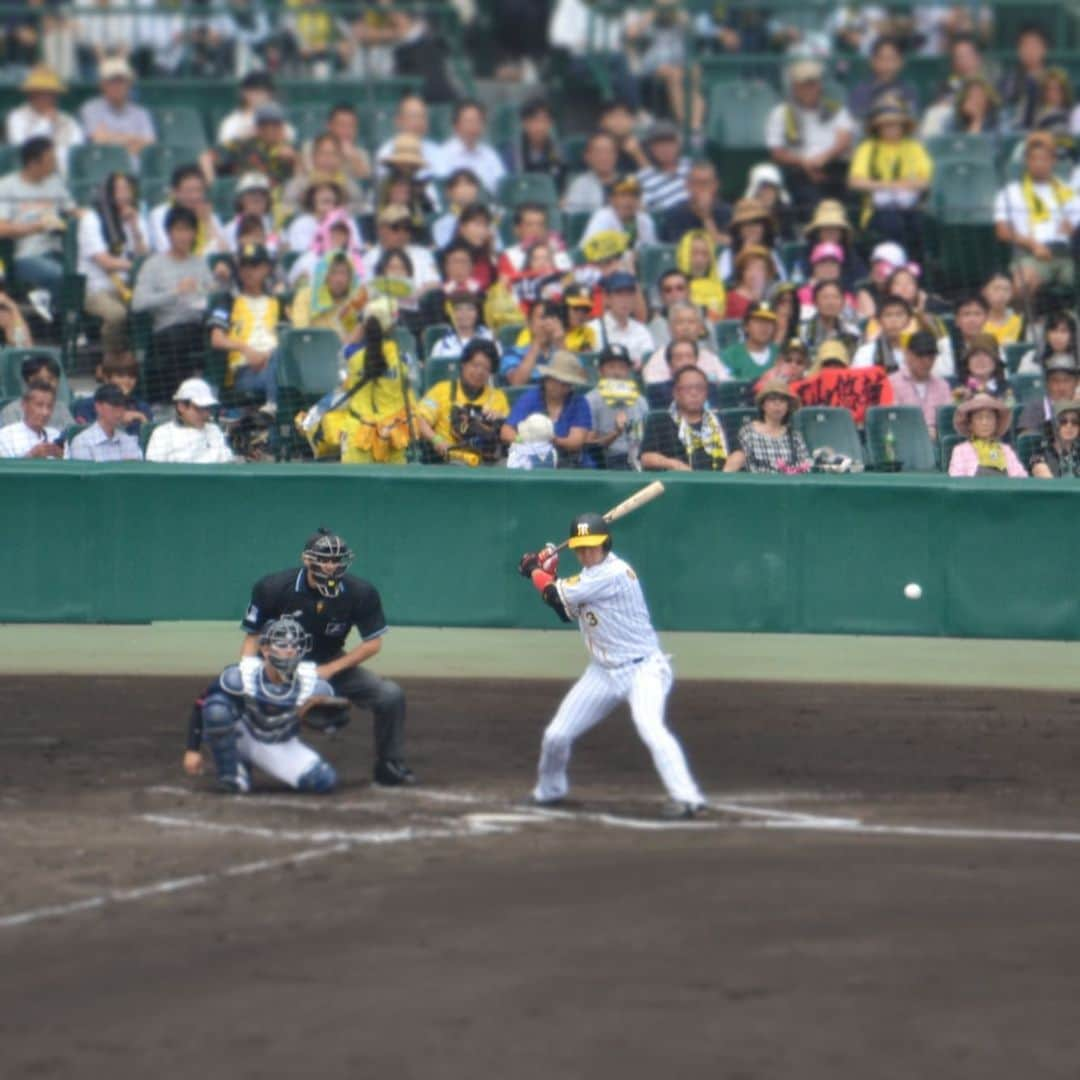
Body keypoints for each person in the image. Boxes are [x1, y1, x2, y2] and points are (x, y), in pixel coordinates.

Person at [517, 513, 706, 819]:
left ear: (605, 545)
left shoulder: (613, 573)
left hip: (643, 669)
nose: (585, 553)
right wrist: (544, 573)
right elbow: (563, 610)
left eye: (592, 547)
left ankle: (687, 797)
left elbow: (553, 592)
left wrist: (535, 571)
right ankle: (549, 790)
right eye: (580, 548)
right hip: (603, 672)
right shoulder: (587, 579)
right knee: (556, 735)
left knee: (651, 727)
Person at [239, 529, 413, 787]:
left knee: (390, 695)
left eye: (336, 560)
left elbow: (373, 644)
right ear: (307, 559)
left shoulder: (360, 593)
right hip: (281, 664)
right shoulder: (274, 587)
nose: (330, 566)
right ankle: (238, 766)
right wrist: (247, 672)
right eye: (324, 559)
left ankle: (389, 764)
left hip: (329, 661)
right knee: (238, 697)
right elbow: (253, 636)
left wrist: (331, 669)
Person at [183, 616, 341, 795]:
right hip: (243, 734)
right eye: (282, 645)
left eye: (295, 645)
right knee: (217, 710)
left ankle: (253, 761)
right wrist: (192, 749)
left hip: (279, 741)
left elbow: (331, 722)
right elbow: (202, 703)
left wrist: (328, 722)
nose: (290, 651)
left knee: (323, 780)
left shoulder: (313, 684)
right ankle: (233, 772)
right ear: (265, 649)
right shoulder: (242, 675)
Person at [131, 206, 215, 401]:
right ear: (169, 233)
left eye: (188, 230)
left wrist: (210, 290)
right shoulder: (153, 265)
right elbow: (138, 303)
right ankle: (183, 397)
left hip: (197, 324)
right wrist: (174, 292)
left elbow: (210, 295)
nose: (184, 236)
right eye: (178, 230)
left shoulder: (199, 263)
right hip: (167, 327)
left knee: (217, 333)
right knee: (177, 339)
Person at [995, 132, 1080, 303]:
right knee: (1023, 283)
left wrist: (1071, 230)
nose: (1039, 164)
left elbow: (1074, 227)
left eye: (1045, 159)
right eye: (1034, 159)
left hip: (1066, 255)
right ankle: (1021, 326)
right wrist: (1033, 244)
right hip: (1031, 255)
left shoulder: (1068, 193)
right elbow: (1002, 231)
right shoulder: (1011, 192)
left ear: (1053, 161)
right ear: (1027, 161)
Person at [766, 58, 854, 215]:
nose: (809, 89)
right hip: (798, 169)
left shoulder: (836, 110)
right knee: (811, 201)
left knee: (848, 196)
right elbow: (777, 152)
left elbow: (844, 140)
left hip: (833, 166)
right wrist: (804, 162)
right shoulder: (780, 113)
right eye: (803, 85)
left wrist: (823, 158)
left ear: (819, 85)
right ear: (794, 87)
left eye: (812, 84)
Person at [848, 95, 933, 258]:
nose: (891, 129)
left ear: (903, 126)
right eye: (886, 125)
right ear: (877, 127)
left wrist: (893, 186)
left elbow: (925, 182)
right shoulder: (868, 148)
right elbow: (855, 182)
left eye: (895, 125)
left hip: (910, 209)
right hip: (876, 212)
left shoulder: (914, 147)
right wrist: (892, 186)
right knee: (892, 223)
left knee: (920, 224)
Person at [0, 137, 73, 313]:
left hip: (58, 250)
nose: (54, 165)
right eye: (50, 161)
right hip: (26, 256)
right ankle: (58, 326)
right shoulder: (7, 186)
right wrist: (38, 226)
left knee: (80, 274)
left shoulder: (55, 183)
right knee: (60, 274)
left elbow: (73, 211)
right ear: (33, 163)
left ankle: (68, 322)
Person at [78, 171, 148, 355]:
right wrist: (135, 265)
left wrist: (134, 227)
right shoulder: (91, 219)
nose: (124, 194)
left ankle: (141, 360)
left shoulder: (133, 217)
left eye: (127, 189)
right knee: (117, 315)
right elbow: (105, 261)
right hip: (96, 289)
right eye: (118, 190)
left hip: (127, 287)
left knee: (152, 309)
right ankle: (112, 361)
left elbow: (142, 254)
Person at [208, 243, 280, 404]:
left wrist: (268, 356)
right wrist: (244, 348)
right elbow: (216, 339)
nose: (248, 271)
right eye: (243, 266)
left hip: (276, 363)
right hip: (245, 371)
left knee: (280, 357)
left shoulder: (276, 302)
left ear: (266, 268)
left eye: (254, 265)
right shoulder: (228, 300)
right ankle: (273, 405)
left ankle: (272, 405)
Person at [418, 339, 507, 466]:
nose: (480, 372)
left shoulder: (498, 397)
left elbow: (509, 433)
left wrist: (502, 420)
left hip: (488, 461)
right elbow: (420, 420)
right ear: (463, 364)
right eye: (475, 365)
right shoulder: (441, 390)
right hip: (450, 461)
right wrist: (437, 440)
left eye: (486, 368)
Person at [500, 350, 592, 467]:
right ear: (546, 379)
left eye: (565, 383)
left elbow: (576, 442)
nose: (559, 386)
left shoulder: (580, 403)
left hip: (570, 464)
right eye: (555, 380)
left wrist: (552, 440)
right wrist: (524, 441)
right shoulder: (530, 397)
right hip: (531, 461)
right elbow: (506, 432)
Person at [640, 364, 732, 472]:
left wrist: (725, 474)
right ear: (675, 393)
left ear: (706, 392)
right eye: (688, 388)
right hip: (678, 483)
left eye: (699, 388)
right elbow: (646, 457)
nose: (694, 393)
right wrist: (673, 464)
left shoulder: (720, 419)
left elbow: (738, 452)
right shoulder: (660, 421)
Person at [791, 339, 893, 427]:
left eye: (837, 365)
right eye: (827, 365)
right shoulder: (803, 390)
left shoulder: (861, 387)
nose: (832, 371)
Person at [77, 57, 155, 169]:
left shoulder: (141, 113)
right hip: (102, 169)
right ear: (102, 85)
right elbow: (99, 141)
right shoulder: (90, 109)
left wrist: (111, 138)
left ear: (129, 85)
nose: (117, 86)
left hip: (134, 173)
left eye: (121, 81)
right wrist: (133, 140)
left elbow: (149, 144)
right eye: (112, 81)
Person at [6, 66, 84, 176]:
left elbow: (77, 148)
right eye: (41, 93)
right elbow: (23, 149)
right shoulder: (17, 117)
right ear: (31, 94)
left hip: (62, 176)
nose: (46, 97)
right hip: (29, 177)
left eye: (50, 93)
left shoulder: (67, 120)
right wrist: (45, 123)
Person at [585, 344, 649, 470]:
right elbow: (589, 445)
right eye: (611, 367)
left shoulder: (640, 401)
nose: (617, 372)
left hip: (638, 460)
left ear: (628, 371)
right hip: (606, 461)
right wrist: (616, 432)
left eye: (622, 367)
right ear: (600, 371)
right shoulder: (590, 400)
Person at [725, 381, 811, 474]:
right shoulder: (748, 433)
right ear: (763, 405)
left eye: (782, 401)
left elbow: (805, 468)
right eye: (772, 400)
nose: (777, 404)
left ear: (788, 406)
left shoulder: (795, 437)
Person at [145, 378, 235, 464]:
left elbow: (227, 462)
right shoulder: (162, 434)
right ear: (181, 406)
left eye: (207, 408)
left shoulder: (214, 430)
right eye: (199, 408)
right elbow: (154, 473)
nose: (206, 414)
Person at [886, 330, 953, 440]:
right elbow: (891, 419)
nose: (926, 362)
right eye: (920, 356)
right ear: (908, 354)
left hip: (937, 443)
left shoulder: (943, 386)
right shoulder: (892, 383)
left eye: (931, 358)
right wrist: (921, 432)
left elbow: (947, 422)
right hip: (903, 441)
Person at [147, 164, 226, 255]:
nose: (195, 196)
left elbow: (224, 254)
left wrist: (207, 222)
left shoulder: (208, 215)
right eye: (189, 191)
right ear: (174, 192)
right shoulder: (160, 214)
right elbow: (164, 248)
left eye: (199, 190)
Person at [643, 301, 729, 385]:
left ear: (700, 328)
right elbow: (655, 390)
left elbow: (726, 384)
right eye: (680, 322)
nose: (686, 327)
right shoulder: (659, 358)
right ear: (670, 328)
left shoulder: (710, 359)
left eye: (691, 322)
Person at [290, 251, 366, 343]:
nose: (339, 279)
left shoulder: (353, 301)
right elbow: (301, 333)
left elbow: (354, 336)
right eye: (333, 273)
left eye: (344, 273)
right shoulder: (306, 296)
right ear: (324, 275)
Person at [435, 100, 506, 195]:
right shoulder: (443, 155)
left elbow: (503, 186)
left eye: (478, 121)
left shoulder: (490, 154)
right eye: (468, 122)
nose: (473, 126)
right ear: (456, 125)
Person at [72, 351, 151, 435]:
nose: (127, 381)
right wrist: (117, 420)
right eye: (121, 376)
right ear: (106, 378)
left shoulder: (142, 407)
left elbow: (150, 441)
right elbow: (83, 437)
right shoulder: (86, 405)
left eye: (132, 376)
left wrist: (143, 420)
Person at [948, 394, 1027, 478]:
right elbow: (957, 482)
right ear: (970, 424)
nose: (984, 422)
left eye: (989, 417)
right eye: (979, 418)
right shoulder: (960, 451)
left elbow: (1021, 479)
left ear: (996, 423)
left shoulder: (1006, 450)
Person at [587, 271, 654, 367]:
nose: (625, 300)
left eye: (629, 294)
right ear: (607, 298)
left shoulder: (642, 331)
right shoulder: (590, 330)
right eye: (619, 294)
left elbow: (648, 362)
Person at [660, 160, 731, 246]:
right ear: (688, 185)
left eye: (706, 183)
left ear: (715, 185)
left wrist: (707, 218)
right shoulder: (674, 214)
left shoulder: (727, 212)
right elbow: (681, 249)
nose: (701, 188)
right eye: (696, 183)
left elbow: (725, 249)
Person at [847, 36, 918, 121]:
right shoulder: (861, 90)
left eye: (892, 59)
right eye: (882, 59)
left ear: (901, 62)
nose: (887, 65)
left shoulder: (908, 90)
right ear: (872, 61)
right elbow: (856, 120)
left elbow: (912, 119)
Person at [66, 383, 142, 462]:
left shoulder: (127, 440)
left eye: (122, 406)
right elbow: (84, 473)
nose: (119, 413)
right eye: (114, 406)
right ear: (98, 407)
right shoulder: (82, 442)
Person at [582, 175, 658, 252]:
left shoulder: (644, 221)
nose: (628, 200)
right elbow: (590, 251)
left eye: (634, 196)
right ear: (611, 199)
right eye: (623, 195)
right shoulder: (603, 218)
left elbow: (652, 253)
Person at [375, 93, 441, 179]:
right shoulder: (386, 153)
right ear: (398, 121)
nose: (418, 122)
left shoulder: (436, 151)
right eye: (413, 116)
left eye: (422, 116)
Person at [503, 98, 564, 191]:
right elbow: (511, 185)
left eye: (544, 121)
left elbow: (560, 181)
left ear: (550, 124)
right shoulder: (513, 152)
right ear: (524, 124)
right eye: (534, 121)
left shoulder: (557, 151)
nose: (540, 127)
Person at [0, 353, 73, 428]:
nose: (46, 383)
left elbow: (71, 435)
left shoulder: (62, 408)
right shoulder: (12, 411)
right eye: (40, 379)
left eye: (51, 379)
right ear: (27, 381)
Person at [635, 121, 690, 215]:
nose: (665, 149)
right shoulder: (643, 178)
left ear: (678, 145)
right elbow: (641, 211)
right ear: (651, 149)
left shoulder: (690, 166)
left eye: (669, 143)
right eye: (659, 145)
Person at [1017, 354, 1079, 435]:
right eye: (1055, 381)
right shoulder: (1035, 408)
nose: (1061, 387)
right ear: (1047, 383)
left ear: (1077, 382)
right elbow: (1027, 441)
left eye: (1067, 381)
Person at [0, 380, 61, 459]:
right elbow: (6, 470)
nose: (45, 412)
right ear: (24, 405)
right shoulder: (5, 436)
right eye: (39, 405)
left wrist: (60, 457)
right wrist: (31, 456)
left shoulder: (56, 435)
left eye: (50, 406)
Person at [562, 132, 620, 214]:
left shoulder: (629, 182)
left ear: (616, 155)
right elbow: (572, 217)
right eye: (598, 152)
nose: (604, 157)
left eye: (608, 151)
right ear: (587, 157)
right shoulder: (580, 185)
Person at [675, 228, 725, 322]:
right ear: (684, 255)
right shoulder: (674, 286)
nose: (699, 259)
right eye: (694, 253)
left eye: (704, 254)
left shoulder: (718, 287)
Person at [852, 294, 911, 372]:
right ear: (879, 321)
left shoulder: (917, 352)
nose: (893, 320)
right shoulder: (866, 352)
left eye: (899, 315)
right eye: (888, 315)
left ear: (908, 320)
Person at [721, 302, 779, 382]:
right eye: (758, 321)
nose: (764, 327)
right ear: (746, 326)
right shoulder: (730, 355)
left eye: (769, 322)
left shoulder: (781, 354)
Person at [955, 334, 1012, 403]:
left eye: (986, 355)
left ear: (995, 361)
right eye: (975, 355)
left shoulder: (1008, 389)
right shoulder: (958, 390)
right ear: (968, 362)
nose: (980, 360)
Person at [1031, 400, 1080, 479]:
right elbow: (1053, 489)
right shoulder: (1040, 456)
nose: (1069, 426)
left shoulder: (1077, 451)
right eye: (1063, 421)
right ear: (1054, 425)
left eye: (1075, 421)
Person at [982, 272, 1023, 347]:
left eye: (1006, 289)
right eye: (996, 289)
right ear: (984, 291)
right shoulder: (978, 320)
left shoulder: (1020, 319)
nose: (1001, 294)